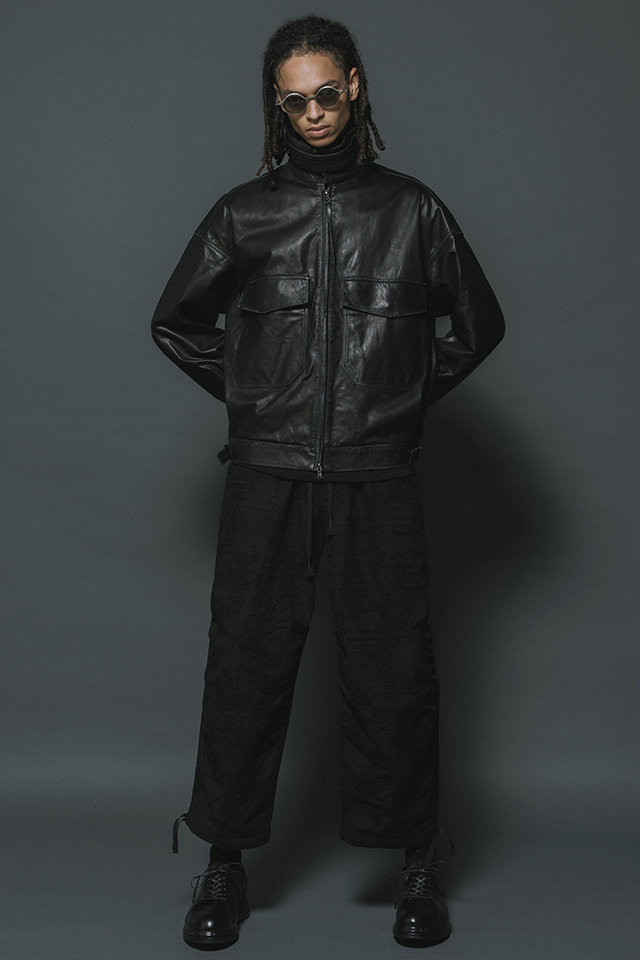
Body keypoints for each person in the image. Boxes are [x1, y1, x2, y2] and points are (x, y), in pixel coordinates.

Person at [151, 14, 504, 950]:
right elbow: (177, 323)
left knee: (396, 672)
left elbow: (479, 324)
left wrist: (396, 401)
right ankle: (223, 865)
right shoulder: (243, 214)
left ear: (355, 87)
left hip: (377, 478)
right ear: (277, 106)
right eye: (294, 101)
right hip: (265, 479)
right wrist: (255, 397)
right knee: (244, 668)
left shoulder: (413, 212)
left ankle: (418, 864)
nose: (313, 114)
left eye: (327, 95)